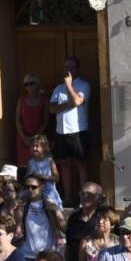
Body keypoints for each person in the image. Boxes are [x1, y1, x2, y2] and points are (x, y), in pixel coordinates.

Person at [49, 56, 90, 206]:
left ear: (77, 69)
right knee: (65, 165)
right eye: (66, 67)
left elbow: (77, 101)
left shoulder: (84, 85)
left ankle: (84, 198)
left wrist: (68, 85)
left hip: (78, 131)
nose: (68, 70)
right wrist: (68, 104)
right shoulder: (58, 89)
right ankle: (67, 197)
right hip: (61, 131)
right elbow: (52, 108)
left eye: (71, 67)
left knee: (80, 165)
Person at [18, 174, 66, 261]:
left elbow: (62, 224)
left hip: (47, 255)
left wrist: (56, 210)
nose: (30, 190)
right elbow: (16, 226)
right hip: (27, 254)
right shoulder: (22, 206)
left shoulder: (50, 205)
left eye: (33, 187)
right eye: (27, 187)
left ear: (41, 187)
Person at [65, 181, 104, 261]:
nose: (85, 197)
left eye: (89, 194)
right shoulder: (73, 218)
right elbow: (68, 246)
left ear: (98, 198)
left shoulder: (103, 218)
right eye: (82, 193)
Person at [16, 73, 49, 169]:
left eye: (31, 83)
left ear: (38, 84)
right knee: (24, 166)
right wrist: (24, 137)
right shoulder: (22, 100)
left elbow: (46, 121)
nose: (29, 86)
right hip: (23, 139)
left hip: (38, 139)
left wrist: (35, 138)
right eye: (26, 84)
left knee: (38, 166)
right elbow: (18, 120)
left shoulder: (44, 100)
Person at [27, 135, 63, 210]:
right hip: (36, 193)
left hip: (49, 192)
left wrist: (44, 177)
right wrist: (31, 177)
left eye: (37, 146)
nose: (34, 148)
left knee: (52, 210)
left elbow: (57, 178)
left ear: (44, 147)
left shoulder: (50, 161)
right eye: (32, 146)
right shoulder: (31, 162)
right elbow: (28, 177)